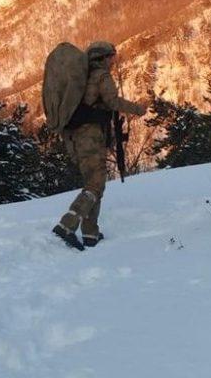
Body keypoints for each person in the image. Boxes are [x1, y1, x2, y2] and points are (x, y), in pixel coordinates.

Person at [53, 41, 146, 249]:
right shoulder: (101, 76)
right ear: (102, 58)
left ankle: (90, 233)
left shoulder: (81, 79)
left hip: (75, 136)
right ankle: (66, 225)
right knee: (96, 183)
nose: (113, 60)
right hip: (91, 135)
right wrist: (139, 109)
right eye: (111, 56)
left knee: (95, 183)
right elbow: (113, 102)